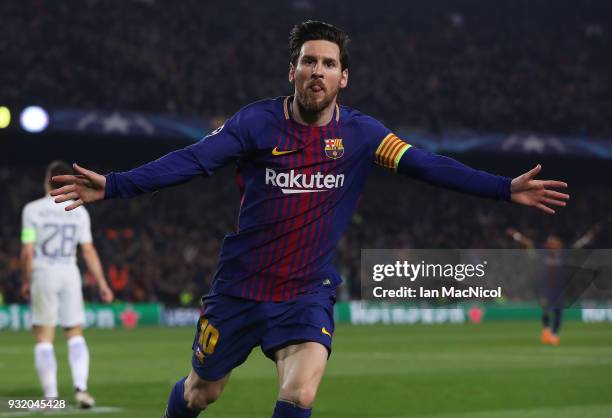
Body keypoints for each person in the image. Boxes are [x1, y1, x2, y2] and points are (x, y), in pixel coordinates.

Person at [50, 21, 569, 418]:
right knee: (201, 392)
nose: (316, 70)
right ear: (292, 71)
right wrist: (117, 184)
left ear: (343, 76)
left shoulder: (364, 136)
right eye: (307, 61)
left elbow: (428, 165)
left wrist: (503, 188)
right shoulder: (256, 122)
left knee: (300, 392)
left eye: (327, 63)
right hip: (239, 288)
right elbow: (193, 160)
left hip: (306, 291)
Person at [20, 160, 114, 408]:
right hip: (69, 273)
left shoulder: (32, 210)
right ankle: (82, 390)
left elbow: (28, 251)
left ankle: (50, 397)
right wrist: (103, 283)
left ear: (46, 181)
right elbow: (89, 250)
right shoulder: (78, 211)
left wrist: (26, 280)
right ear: (69, 182)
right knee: (74, 334)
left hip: (43, 272)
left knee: (44, 337)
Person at [507, 225, 599, 345]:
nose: (549, 243)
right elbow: (529, 243)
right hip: (546, 288)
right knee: (546, 309)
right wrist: (516, 235)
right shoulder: (544, 252)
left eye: (552, 241)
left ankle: (554, 335)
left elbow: (578, 246)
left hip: (560, 288)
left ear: (558, 243)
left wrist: (587, 238)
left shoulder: (564, 253)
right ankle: (546, 330)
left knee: (558, 312)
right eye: (549, 241)